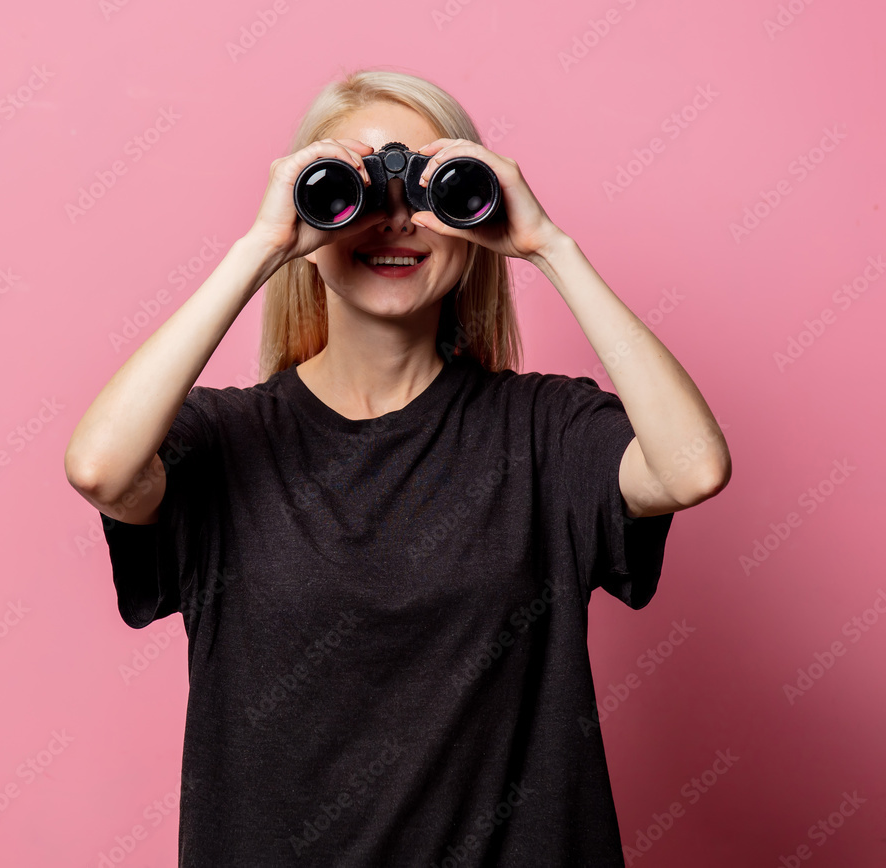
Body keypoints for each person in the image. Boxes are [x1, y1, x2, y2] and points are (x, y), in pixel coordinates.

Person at [64, 68, 731, 867]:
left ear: (473, 208)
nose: (394, 223)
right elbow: (101, 469)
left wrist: (547, 246)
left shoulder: (546, 431)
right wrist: (262, 248)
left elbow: (692, 470)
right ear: (308, 217)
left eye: (426, 187)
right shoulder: (223, 443)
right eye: (356, 190)